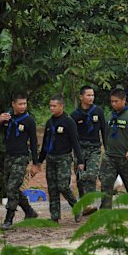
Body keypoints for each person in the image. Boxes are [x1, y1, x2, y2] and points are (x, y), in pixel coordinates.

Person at [0, 94, 40, 230]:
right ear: (13, 104)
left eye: (25, 104)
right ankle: (29, 211)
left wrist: (36, 163)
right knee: (11, 187)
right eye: (20, 104)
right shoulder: (7, 117)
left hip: (22, 156)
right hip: (9, 156)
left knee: (12, 187)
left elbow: (34, 142)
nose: (23, 106)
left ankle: (8, 219)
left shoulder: (29, 120)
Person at [38, 95, 84, 223]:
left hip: (63, 157)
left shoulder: (69, 122)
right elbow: (45, 144)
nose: (51, 108)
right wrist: (39, 161)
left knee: (63, 186)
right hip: (51, 158)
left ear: (61, 106)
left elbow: (75, 142)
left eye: (54, 106)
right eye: (50, 106)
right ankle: (54, 216)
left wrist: (80, 160)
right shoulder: (49, 122)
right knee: (52, 187)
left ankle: (76, 208)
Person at [99, 88, 128, 210]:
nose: (113, 104)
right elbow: (106, 134)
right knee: (106, 185)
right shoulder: (109, 116)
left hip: (126, 157)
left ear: (124, 100)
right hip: (110, 157)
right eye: (111, 101)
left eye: (116, 101)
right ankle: (105, 211)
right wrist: (107, 150)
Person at [70, 86, 106, 200]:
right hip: (80, 148)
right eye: (88, 95)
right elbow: (72, 136)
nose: (91, 98)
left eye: (92, 95)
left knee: (91, 174)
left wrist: (107, 148)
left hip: (94, 148)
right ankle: (84, 201)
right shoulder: (74, 115)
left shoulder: (98, 111)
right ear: (81, 97)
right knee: (80, 177)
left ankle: (90, 201)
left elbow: (104, 130)